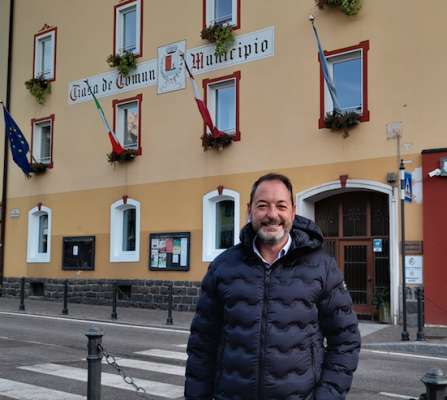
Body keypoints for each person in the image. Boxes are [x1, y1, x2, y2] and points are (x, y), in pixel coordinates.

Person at [185, 173, 361, 400]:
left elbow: (345, 340)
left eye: (281, 206)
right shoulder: (222, 267)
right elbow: (202, 345)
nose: (272, 215)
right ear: (250, 210)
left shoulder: (322, 267)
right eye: (262, 206)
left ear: (293, 211)